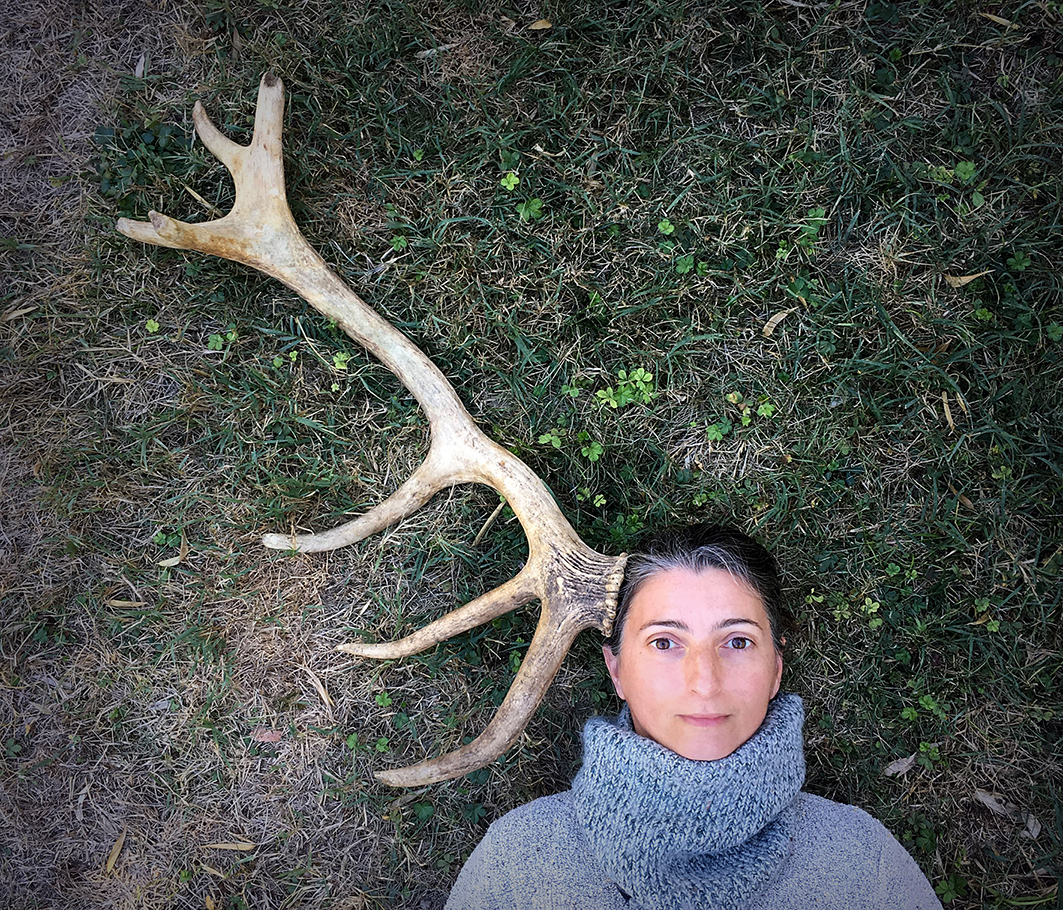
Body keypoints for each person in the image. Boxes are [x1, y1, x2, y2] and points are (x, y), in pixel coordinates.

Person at [445, 525, 943, 910]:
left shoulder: (863, 866)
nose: (704, 680)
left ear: (776, 669)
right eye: (664, 642)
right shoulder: (515, 864)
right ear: (616, 669)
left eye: (738, 641)